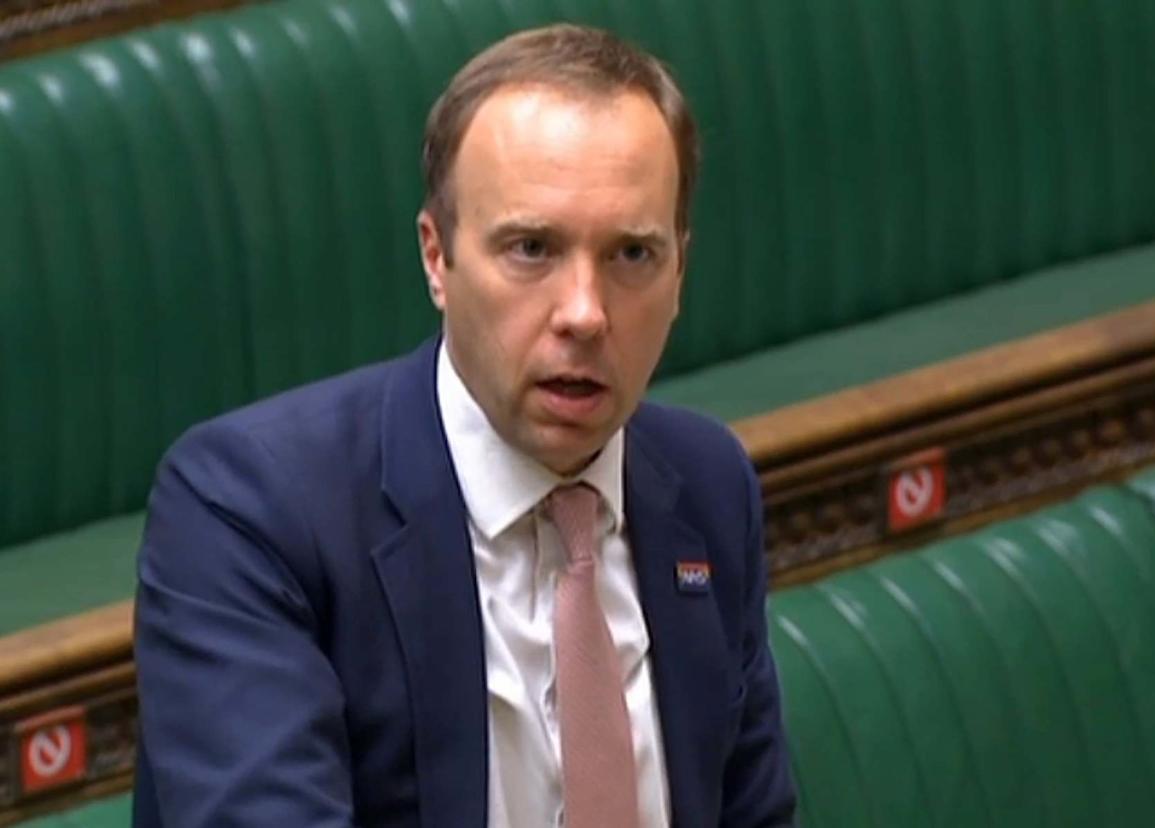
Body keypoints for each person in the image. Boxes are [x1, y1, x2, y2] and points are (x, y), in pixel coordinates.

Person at [132, 23, 795, 828]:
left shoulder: (709, 485)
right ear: (436, 258)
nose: (584, 314)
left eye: (631, 256)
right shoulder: (252, 512)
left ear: (680, 271)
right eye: (531, 248)